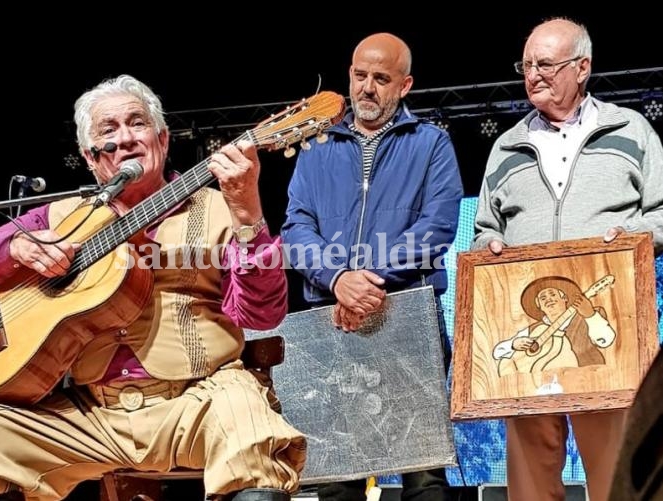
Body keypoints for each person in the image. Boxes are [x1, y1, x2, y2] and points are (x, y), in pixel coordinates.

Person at [0, 74, 306, 501]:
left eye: (137, 123)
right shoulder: (63, 218)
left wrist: (248, 214)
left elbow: (262, 314)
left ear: (163, 140)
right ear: (90, 158)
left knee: (248, 418)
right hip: (90, 414)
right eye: (108, 131)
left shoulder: (223, 208)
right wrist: (15, 246)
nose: (125, 139)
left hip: (197, 403)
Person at [472, 17, 663, 501]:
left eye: (546, 64)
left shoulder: (632, 131)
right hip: (524, 332)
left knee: (618, 476)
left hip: (612, 331)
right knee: (531, 483)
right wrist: (488, 251)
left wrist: (632, 236)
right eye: (527, 64)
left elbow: (662, 215)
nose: (533, 73)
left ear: (582, 68)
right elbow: (484, 231)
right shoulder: (506, 145)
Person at [282, 32, 463, 501]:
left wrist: (366, 280)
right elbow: (296, 229)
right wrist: (338, 280)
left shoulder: (431, 144)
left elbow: (438, 227)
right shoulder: (314, 146)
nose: (366, 88)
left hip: (407, 320)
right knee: (336, 476)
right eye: (359, 75)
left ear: (405, 85)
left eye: (381, 79)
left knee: (423, 475)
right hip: (331, 321)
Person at [492, 276, 617, 376]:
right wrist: (513, 345)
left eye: (553, 294)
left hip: (585, 379)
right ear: (539, 305)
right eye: (543, 298)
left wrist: (589, 315)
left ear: (564, 299)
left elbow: (606, 340)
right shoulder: (534, 330)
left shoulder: (587, 315)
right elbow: (498, 352)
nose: (548, 299)